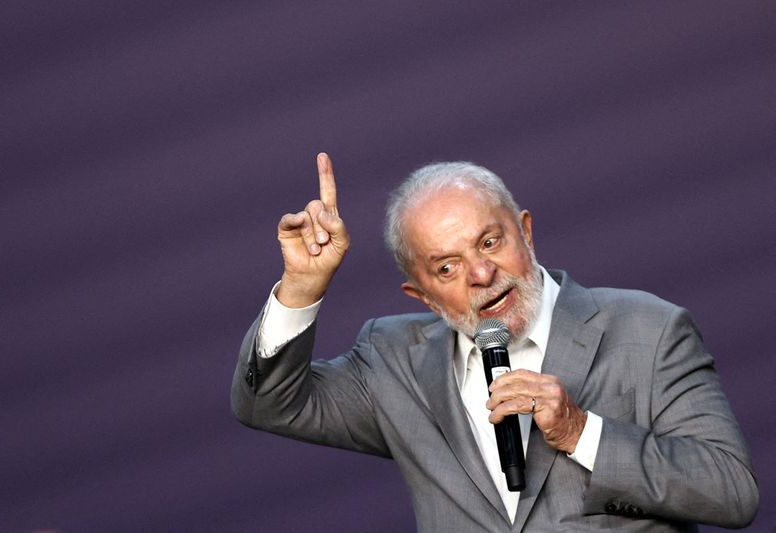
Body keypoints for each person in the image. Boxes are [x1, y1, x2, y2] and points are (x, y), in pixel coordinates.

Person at [231, 153, 758, 532]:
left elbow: (732, 493)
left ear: (525, 231)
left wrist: (581, 433)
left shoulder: (647, 329)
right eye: (447, 266)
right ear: (422, 295)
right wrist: (303, 284)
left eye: (490, 242)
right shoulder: (394, 362)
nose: (482, 273)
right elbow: (267, 404)